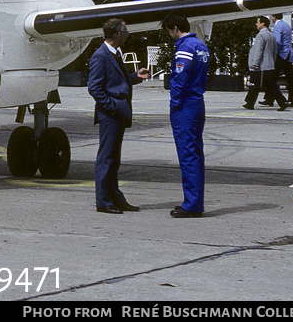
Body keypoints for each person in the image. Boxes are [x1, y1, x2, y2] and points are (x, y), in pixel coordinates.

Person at [88, 18, 148, 214]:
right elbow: (94, 88)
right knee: (106, 158)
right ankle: (103, 201)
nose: (127, 36)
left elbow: (117, 80)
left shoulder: (114, 53)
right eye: (125, 33)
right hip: (111, 115)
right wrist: (111, 107)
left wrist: (135, 77)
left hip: (118, 112)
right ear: (117, 35)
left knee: (114, 159)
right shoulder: (100, 56)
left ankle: (115, 197)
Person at [162, 12, 209, 219]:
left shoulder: (185, 48)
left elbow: (179, 78)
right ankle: (195, 200)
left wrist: (174, 104)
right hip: (198, 102)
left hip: (185, 106)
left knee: (187, 155)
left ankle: (192, 205)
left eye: (169, 31)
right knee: (196, 154)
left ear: (174, 28)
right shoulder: (201, 45)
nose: (170, 35)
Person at [244, 16, 287, 111]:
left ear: (263, 23)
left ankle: (282, 102)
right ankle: (249, 103)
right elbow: (275, 50)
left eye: (258, 22)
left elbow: (259, 50)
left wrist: (255, 63)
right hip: (269, 64)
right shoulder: (271, 35)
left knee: (256, 84)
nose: (256, 24)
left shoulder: (261, 35)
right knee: (269, 84)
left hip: (261, 66)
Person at [265, 14, 293, 109]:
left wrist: (274, 52)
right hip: (289, 53)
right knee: (290, 77)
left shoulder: (277, 26)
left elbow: (277, 41)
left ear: (273, 17)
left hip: (281, 54)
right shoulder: (287, 25)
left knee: (272, 76)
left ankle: (271, 99)